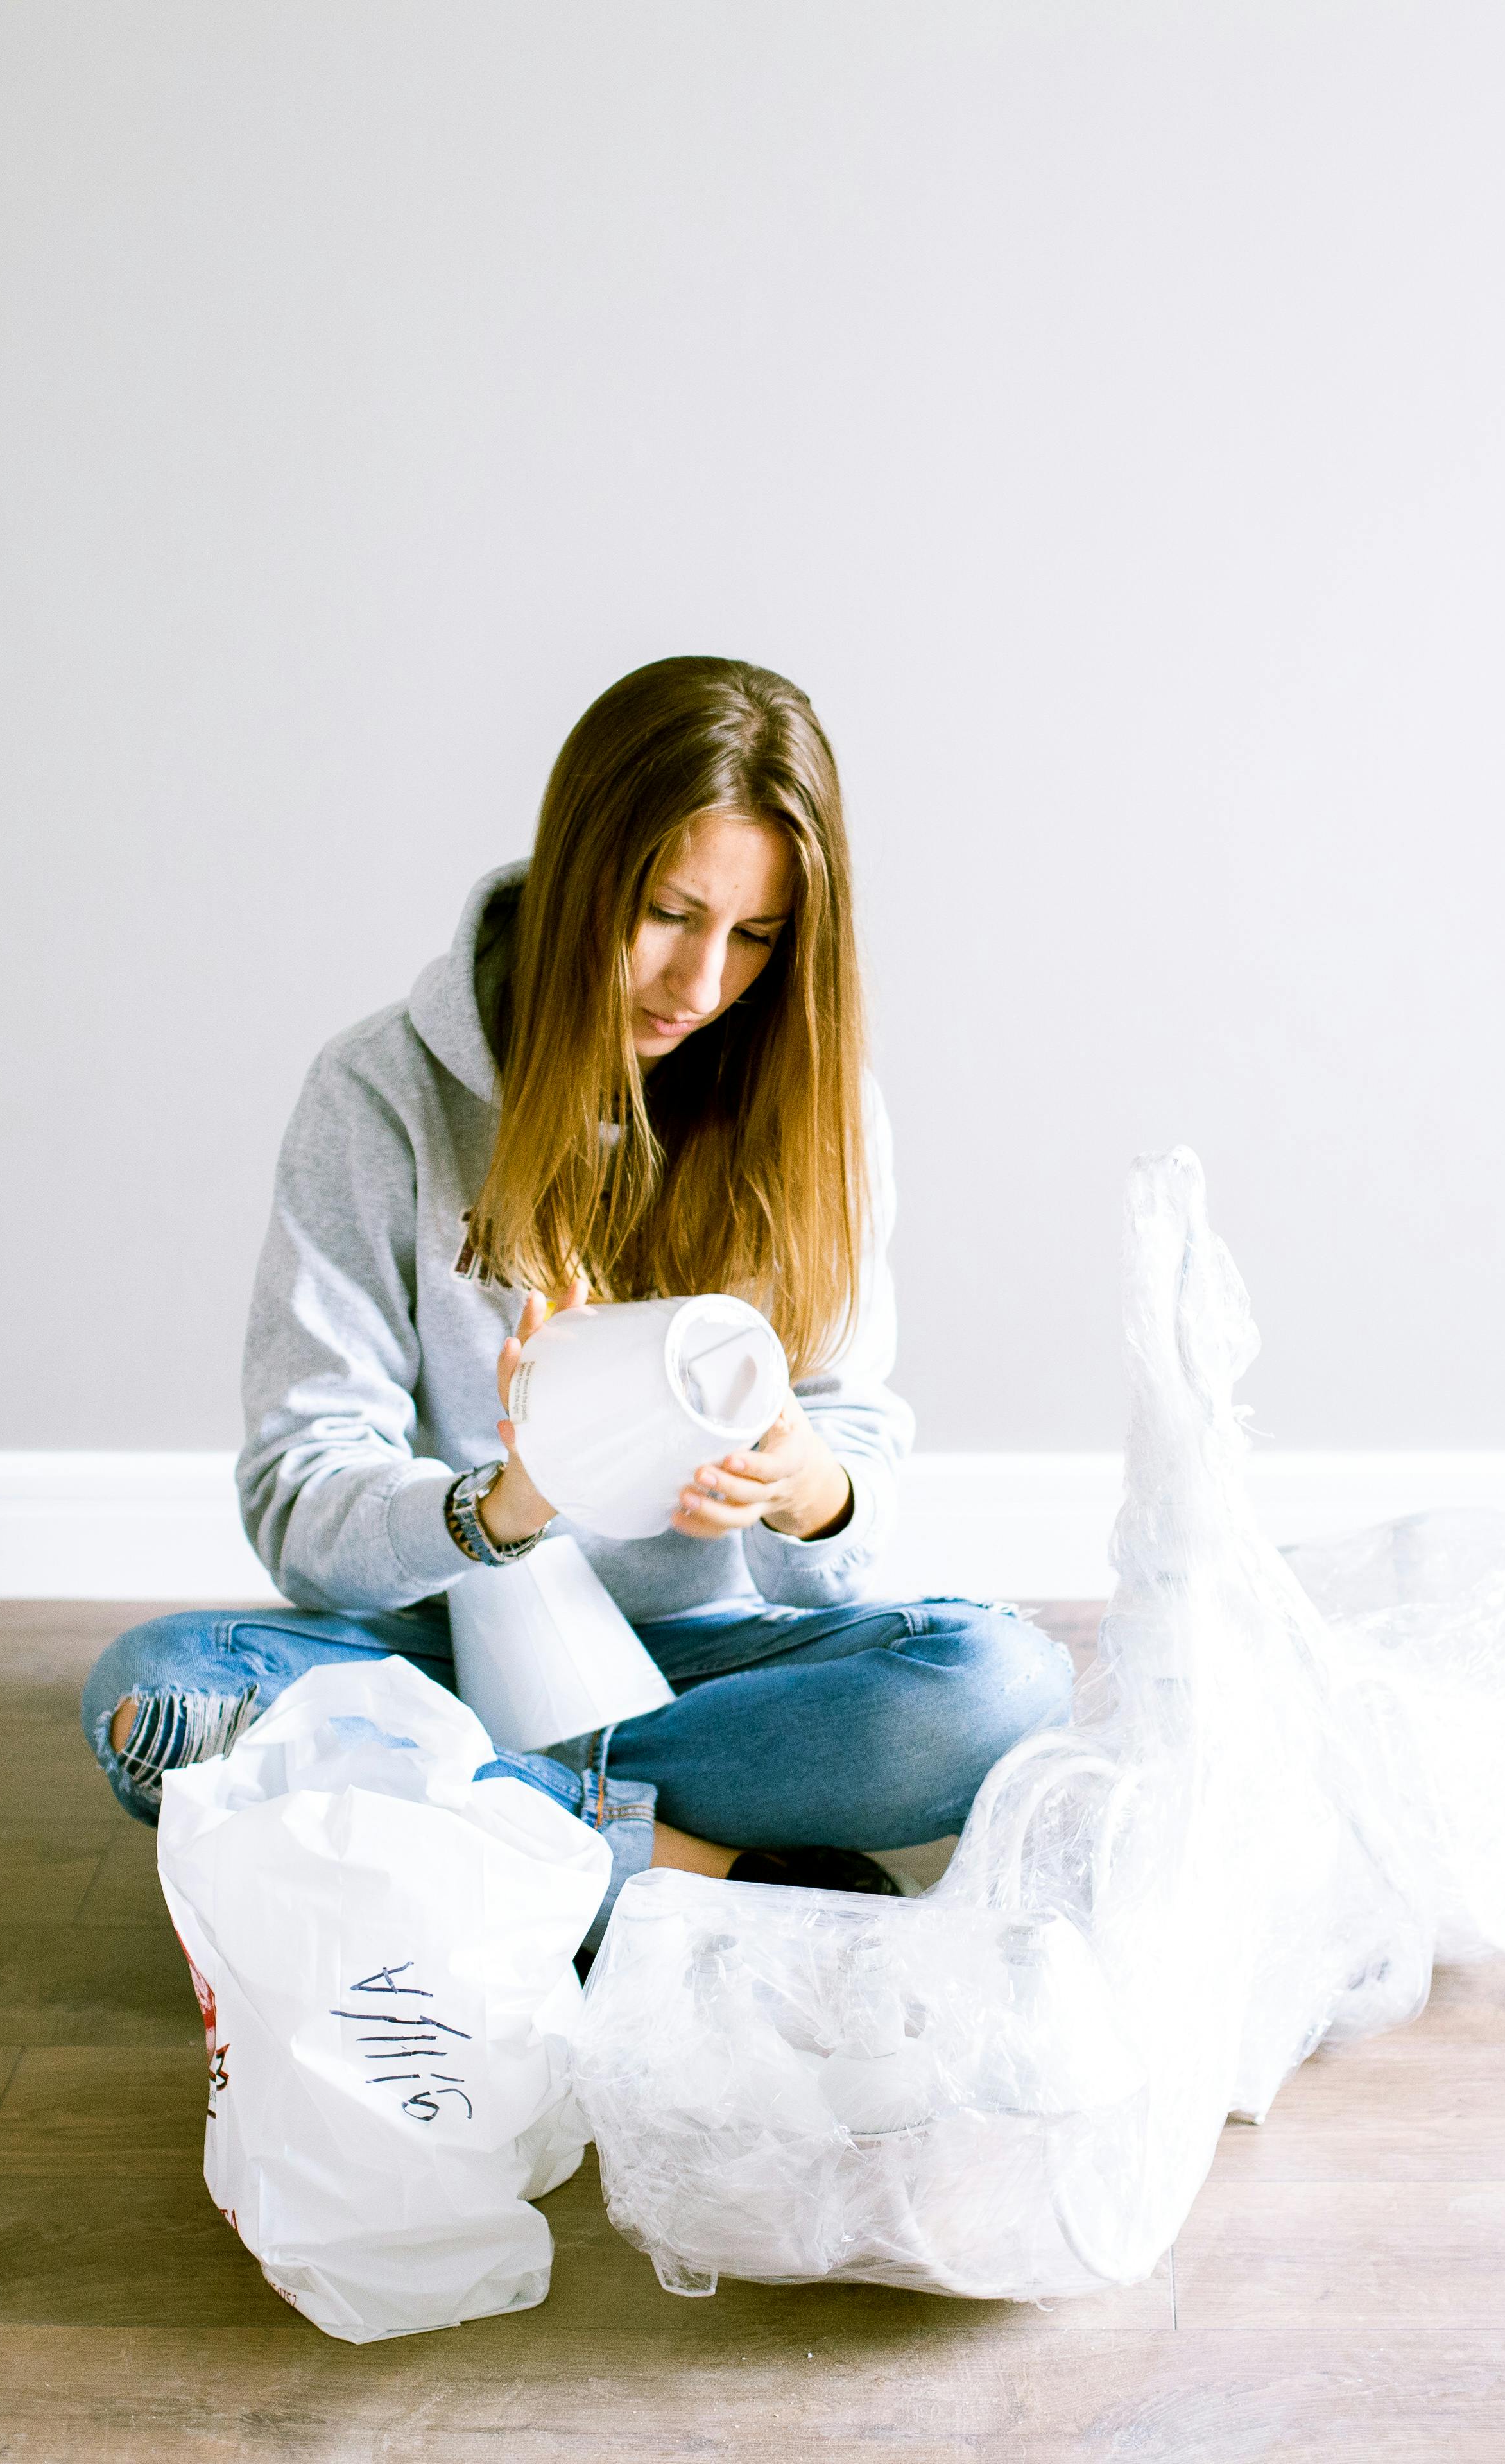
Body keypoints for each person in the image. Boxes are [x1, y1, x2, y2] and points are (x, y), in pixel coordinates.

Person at [81, 655, 1071, 1937]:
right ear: (580, 869)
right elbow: (297, 1495)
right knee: (153, 1695)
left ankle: (513, 1843)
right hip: (445, 1659)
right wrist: (506, 1499)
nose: (702, 983)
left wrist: (807, 1488)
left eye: (757, 936)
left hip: (706, 1672)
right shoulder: (380, 1098)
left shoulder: (818, 1116)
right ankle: (688, 1872)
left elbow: (841, 1522)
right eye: (666, 912)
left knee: (1001, 1687)